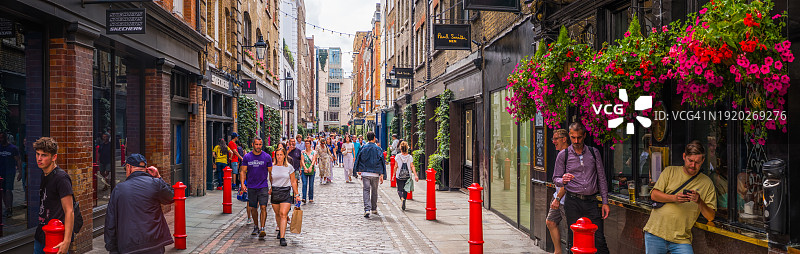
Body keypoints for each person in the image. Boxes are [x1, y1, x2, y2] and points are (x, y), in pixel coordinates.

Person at [643, 141, 716, 254]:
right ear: (684, 157)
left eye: (697, 162)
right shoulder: (669, 171)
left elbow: (711, 216)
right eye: (690, 160)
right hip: (655, 233)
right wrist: (674, 198)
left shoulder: (707, 183)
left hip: (681, 240)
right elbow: (654, 195)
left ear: (702, 161)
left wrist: (699, 201)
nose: (693, 165)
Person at [552, 122, 610, 254]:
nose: (576, 141)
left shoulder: (593, 153)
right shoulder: (563, 155)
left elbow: (601, 178)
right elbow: (555, 178)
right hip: (573, 201)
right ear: (569, 137)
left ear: (584, 135)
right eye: (573, 137)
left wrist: (605, 202)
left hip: (591, 201)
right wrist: (563, 180)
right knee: (573, 239)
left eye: (579, 137)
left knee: (599, 239)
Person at [105, 154, 174, 253]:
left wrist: (111, 247)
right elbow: (171, 197)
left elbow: (110, 221)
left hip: (129, 245)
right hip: (154, 243)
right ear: (145, 168)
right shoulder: (155, 183)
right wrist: (158, 177)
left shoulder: (119, 189)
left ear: (129, 167)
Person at [33, 137, 75, 254]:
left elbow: (69, 211)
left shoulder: (61, 178)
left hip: (55, 237)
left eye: (44, 155)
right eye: (37, 154)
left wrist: (66, 241)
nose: (39, 159)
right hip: (41, 234)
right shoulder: (44, 174)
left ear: (54, 157)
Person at [239, 137, 273, 239]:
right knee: (254, 208)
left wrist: (272, 186)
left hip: (263, 186)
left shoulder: (267, 157)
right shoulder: (247, 157)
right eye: (256, 144)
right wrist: (242, 184)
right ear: (253, 144)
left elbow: (271, 173)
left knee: (263, 207)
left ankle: (262, 228)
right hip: (251, 186)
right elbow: (242, 171)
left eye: (260, 144)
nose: (258, 146)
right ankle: (256, 226)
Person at [269, 147, 300, 246]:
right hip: (275, 191)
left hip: (286, 191)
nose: (279, 157)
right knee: (278, 214)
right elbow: (271, 179)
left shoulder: (289, 167)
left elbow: (293, 181)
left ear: (284, 156)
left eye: (281, 155)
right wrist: (270, 188)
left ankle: (282, 237)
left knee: (283, 214)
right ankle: (280, 229)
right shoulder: (272, 167)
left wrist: (297, 194)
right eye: (277, 155)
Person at [546, 129, 569, 254]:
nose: (554, 141)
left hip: (564, 199)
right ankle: (558, 251)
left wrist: (558, 198)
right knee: (550, 221)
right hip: (558, 197)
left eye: (556, 139)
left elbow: (568, 181)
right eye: (553, 139)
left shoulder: (568, 155)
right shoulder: (560, 154)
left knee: (569, 229)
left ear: (564, 139)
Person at [353, 132, 385, 218]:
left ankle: (367, 209)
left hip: (365, 173)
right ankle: (374, 208)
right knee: (374, 191)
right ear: (374, 138)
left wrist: (356, 170)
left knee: (366, 190)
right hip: (375, 173)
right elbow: (382, 162)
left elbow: (358, 159)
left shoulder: (363, 147)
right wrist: (382, 174)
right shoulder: (378, 149)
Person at [0, 132, 21, 218]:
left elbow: (18, 160)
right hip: (1, 172)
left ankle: (9, 208)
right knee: (3, 190)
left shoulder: (12, 148)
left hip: (10, 172)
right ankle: (6, 207)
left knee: (8, 190)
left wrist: (20, 172)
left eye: (2, 138)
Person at [392, 141, 418, 211]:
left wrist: (393, 175)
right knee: (405, 189)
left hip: (399, 176)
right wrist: (415, 175)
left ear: (400, 148)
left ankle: (402, 199)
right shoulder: (409, 157)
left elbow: (395, 166)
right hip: (407, 176)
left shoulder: (397, 156)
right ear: (407, 148)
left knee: (399, 190)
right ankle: (404, 201)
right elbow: (412, 166)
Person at [301, 139, 317, 204]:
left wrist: (311, 167)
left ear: (310, 144)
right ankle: (304, 197)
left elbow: (313, 160)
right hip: (304, 169)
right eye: (306, 143)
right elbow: (302, 160)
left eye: (308, 143)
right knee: (304, 183)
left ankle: (311, 197)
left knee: (311, 184)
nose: (306, 145)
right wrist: (304, 167)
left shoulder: (314, 152)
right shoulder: (303, 152)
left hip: (312, 169)